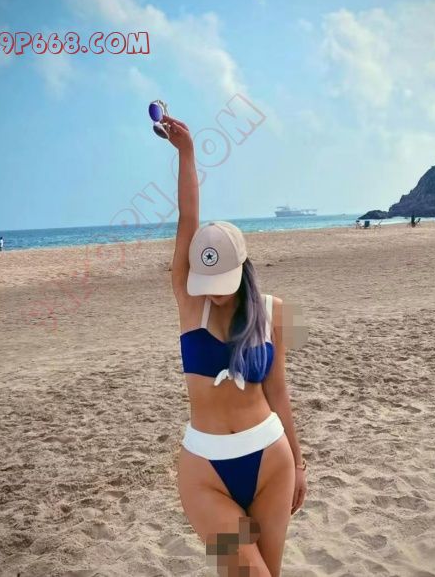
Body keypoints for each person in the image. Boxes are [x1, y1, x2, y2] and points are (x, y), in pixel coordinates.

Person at [164, 114, 307, 576]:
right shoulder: (190, 302)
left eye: (223, 282)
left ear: (243, 266)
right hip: (207, 473)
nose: (215, 293)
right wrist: (187, 153)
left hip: (271, 464)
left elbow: (279, 391)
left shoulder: (276, 311)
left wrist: (300, 464)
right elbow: (187, 218)